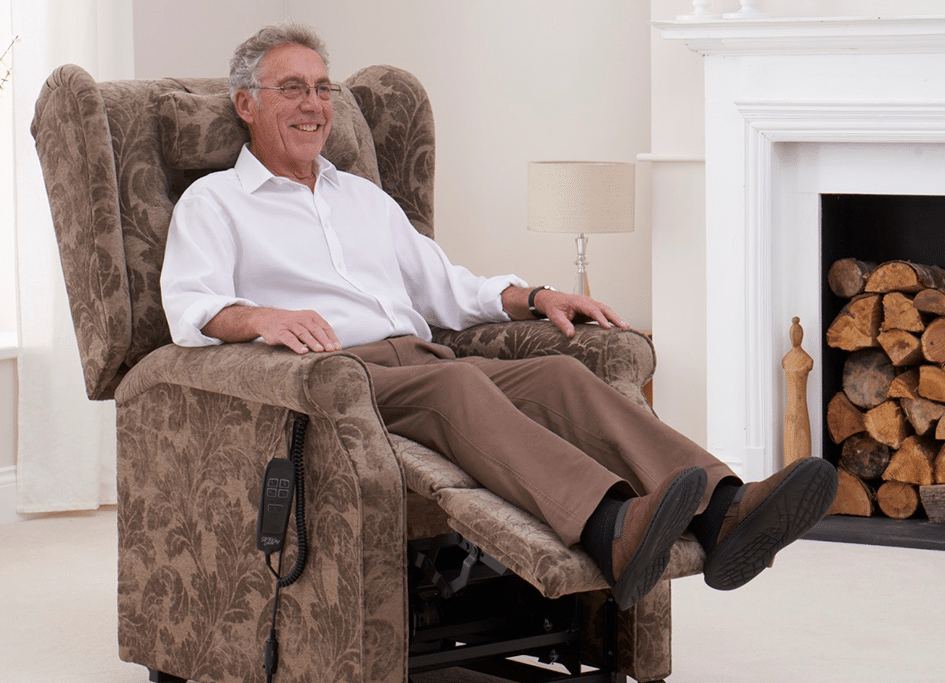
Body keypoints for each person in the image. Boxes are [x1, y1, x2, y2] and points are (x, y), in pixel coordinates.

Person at [161, 23, 838, 610]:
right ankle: (611, 527)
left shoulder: (361, 198)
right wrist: (258, 317)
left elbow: (447, 288)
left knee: (555, 376)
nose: (313, 104)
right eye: (292, 88)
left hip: (421, 360)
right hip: (334, 381)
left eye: (321, 88)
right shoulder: (217, 202)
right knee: (456, 387)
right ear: (247, 103)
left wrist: (538, 295)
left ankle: (726, 511)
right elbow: (189, 306)